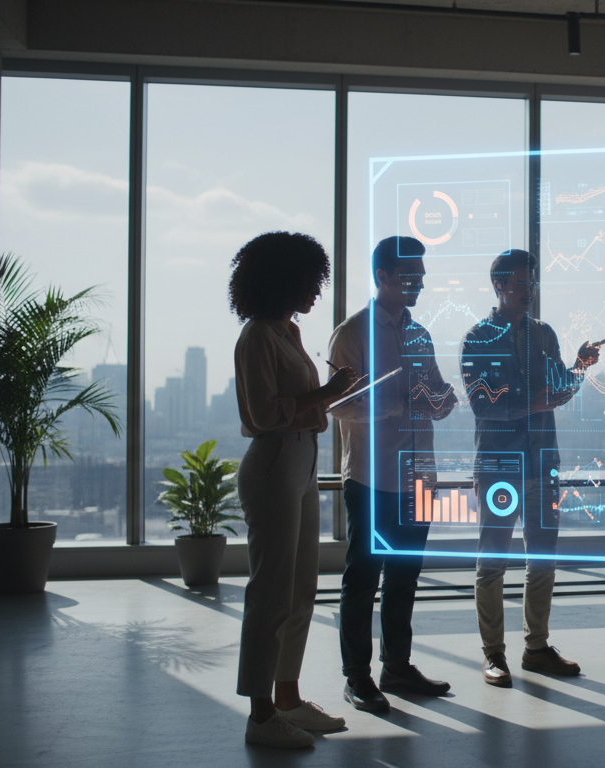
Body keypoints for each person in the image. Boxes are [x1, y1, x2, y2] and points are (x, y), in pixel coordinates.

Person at [231, 231, 358, 749]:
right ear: (284, 280)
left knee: (301, 588)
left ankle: (287, 698)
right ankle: (261, 714)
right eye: (309, 282)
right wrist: (327, 393)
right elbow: (262, 415)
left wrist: (322, 402)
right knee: (271, 591)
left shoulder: (288, 332)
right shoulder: (258, 336)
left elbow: (301, 405)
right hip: (276, 461)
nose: (316, 293)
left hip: (301, 458)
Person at [462, 249, 603, 687]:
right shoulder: (478, 337)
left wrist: (579, 367)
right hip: (499, 465)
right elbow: (481, 405)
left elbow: (558, 390)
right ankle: (493, 655)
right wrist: (532, 404)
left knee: (542, 561)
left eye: (533, 283)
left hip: (543, 463)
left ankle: (536, 648)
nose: (529, 291)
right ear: (499, 286)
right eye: (521, 284)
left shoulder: (544, 335)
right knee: (493, 563)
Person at [328, 236, 458, 712]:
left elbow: (438, 393)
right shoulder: (353, 334)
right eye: (410, 275)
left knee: (405, 576)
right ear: (382, 276)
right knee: (363, 579)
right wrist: (404, 404)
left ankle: (397, 668)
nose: (419, 283)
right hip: (372, 477)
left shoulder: (419, 333)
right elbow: (340, 406)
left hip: (419, 475)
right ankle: (357, 676)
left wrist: (444, 402)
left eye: (422, 275)